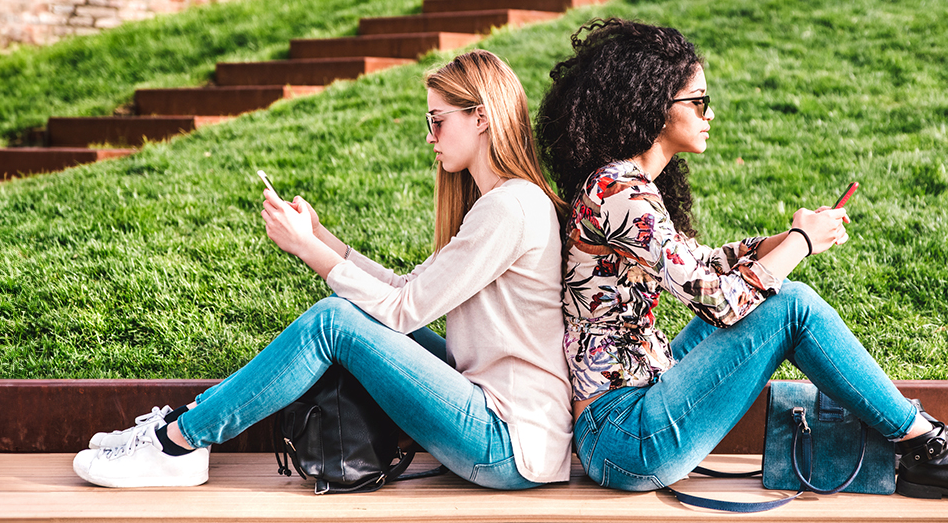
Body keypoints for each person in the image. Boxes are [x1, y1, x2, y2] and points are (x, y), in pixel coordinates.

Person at [534, 18, 948, 503]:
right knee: (790, 306)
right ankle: (927, 445)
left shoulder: (625, 184)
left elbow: (698, 263)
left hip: (642, 396)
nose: (710, 113)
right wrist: (801, 242)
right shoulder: (619, 192)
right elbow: (717, 303)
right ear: (655, 106)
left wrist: (778, 240)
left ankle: (922, 439)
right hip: (626, 438)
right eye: (700, 101)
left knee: (776, 302)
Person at [73, 49, 573, 490]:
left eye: (438, 121)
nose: (430, 138)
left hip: (509, 442)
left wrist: (309, 250)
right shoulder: (501, 204)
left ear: (481, 117)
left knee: (333, 321)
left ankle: (177, 443)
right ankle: (183, 428)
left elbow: (403, 310)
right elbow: (407, 290)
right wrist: (320, 238)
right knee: (347, 314)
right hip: (498, 421)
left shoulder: (510, 209)